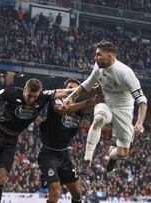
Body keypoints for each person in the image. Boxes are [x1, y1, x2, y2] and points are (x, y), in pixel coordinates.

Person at [0, 78, 75, 203]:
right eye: (29, 95)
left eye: (35, 97)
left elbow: (66, 92)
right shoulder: (12, 92)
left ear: (40, 93)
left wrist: (91, 88)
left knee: (1, 177)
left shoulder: (44, 96)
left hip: (11, 139)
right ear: (25, 89)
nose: (31, 99)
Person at [62, 40, 148, 174]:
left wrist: (139, 123)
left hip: (123, 109)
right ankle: (87, 159)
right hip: (105, 103)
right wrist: (71, 97)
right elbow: (87, 84)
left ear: (110, 56)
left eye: (99, 55)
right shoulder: (98, 68)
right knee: (99, 119)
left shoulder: (125, 73)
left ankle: (112, 154)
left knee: (122, 153)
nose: (95, 58)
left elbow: (142, 101)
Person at [38, 78, 97, 203]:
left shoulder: (80, 109)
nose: (72, 91)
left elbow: (94, 102)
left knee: (77, 194)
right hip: (48, 154)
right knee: (56, 192)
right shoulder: (56, 100)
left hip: (64, 155)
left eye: (76, 89)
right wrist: (86, 102)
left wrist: (103, 90)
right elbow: (64, 109)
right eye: (70, 88)